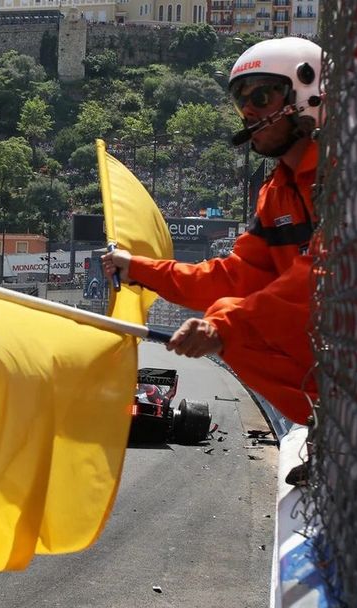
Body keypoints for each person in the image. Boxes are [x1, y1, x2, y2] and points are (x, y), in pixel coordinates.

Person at [102, 36, 322, 425]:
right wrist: (136, 268)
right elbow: (233, 277)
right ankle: (332, 428)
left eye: (262, 97)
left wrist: (223, 325)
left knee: (231, 325)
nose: (248, 112)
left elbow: (327, 274)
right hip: (347, 361)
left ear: (307, 93)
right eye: (242, 101)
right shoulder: (277, 193)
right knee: (235, 329)